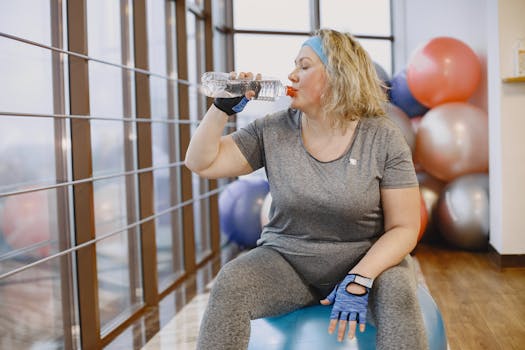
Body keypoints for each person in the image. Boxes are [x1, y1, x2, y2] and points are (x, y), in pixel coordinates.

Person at [185, 28, 429, 350]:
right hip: (288, 263)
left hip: (368, 260)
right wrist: (221, 109)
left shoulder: (381, 136)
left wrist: (360, 278)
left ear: (338, 75)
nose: (291, 74)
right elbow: (200, 163)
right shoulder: (272, 129)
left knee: (399, 291)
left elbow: (405, 227)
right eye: (294, 66)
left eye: (303, 66)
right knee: (231, 283)